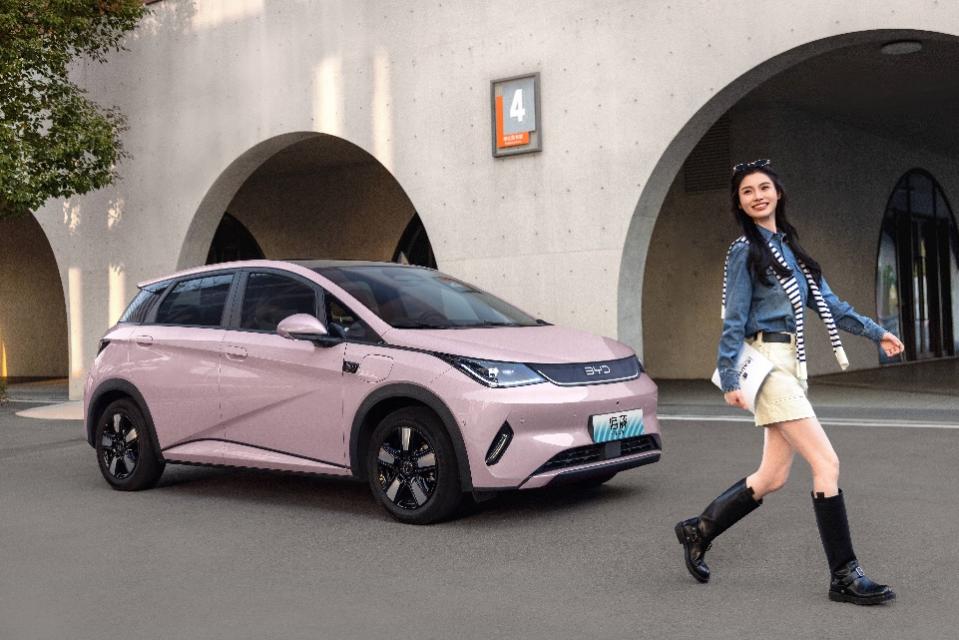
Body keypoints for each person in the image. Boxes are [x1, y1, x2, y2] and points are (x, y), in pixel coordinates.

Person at [674, 159, 904, 605]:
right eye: (747, 191)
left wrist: (877, 333)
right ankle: (844, 576)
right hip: (767, 365)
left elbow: (831, 305)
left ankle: (699, 529)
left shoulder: (792, 252)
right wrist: (728, 375)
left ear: (778, 193)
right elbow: (734, 319)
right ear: (739, 203)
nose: (757, 196)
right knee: (826, 463)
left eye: (764, 187)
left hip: (790, 363)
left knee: (773, 475)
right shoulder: (745, 251)